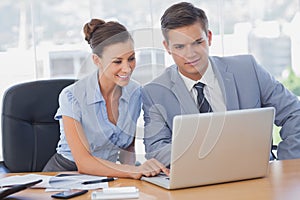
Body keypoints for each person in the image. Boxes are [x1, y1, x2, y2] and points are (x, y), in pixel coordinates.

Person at [142, 2, 300, 166]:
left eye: (197, 42)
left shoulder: (248, 69)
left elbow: (294, 114)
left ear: (209, 38)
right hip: (197, 182)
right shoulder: (154, 93)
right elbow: (156, 150)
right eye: (180, 47)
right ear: (167, 47)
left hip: (257, 176)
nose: (190, 54)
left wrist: (286, 164)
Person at [43, 18, 169, 179]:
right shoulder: (72, 96)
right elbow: (83, 162)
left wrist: (132, 179)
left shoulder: (136, 92)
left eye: (131, 58)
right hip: (66, 174)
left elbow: (128, 147)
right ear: (97, 60)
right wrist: (133, 171)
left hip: (107, 175)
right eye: (117, 61)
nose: (127, 68)